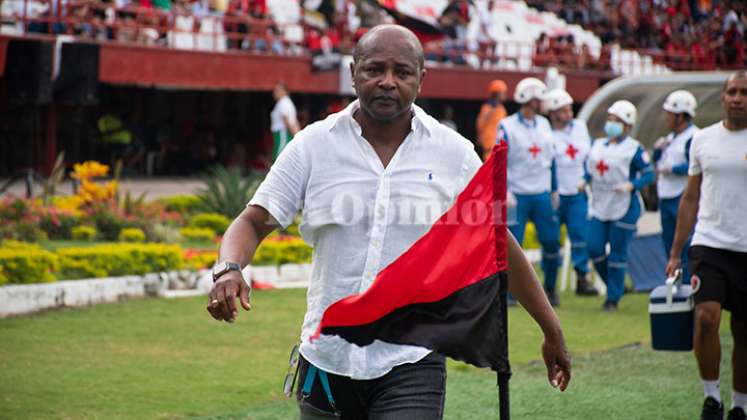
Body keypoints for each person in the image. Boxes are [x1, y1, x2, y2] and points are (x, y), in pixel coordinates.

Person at [206, 24, 571, 419]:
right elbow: (253, 221)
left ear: (421, 79)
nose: (387, 82)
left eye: (402, 72)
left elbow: (498, 245)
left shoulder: (454, 154)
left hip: (412, 360)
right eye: (374, 69)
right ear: (353, 72)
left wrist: (551, 329)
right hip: (326, 361)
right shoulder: (313, 145)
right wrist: (229, 269)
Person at [665, 71, 747, 420]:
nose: (738, 98)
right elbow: (690, 197)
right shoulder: (703, 139)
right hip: (709, 243)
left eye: (744, 92)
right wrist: (675, 252)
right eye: (732, 91)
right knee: (706, 318)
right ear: (723, 97)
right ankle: (711, 398)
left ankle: (740, 406)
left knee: (744, 331)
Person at [585, 100, 654, 311]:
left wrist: (632, 185)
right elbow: (591, 169)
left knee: (617, 253)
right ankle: (616, 285)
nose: (611, 124)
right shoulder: (597, 145)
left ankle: (612, 299)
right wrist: (583, 179)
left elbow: (649, 174)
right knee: (594, 247)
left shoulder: (634, 149)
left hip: (624, 206)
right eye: (610, 120)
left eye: (617, 121)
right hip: (600, 203)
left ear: (627, 125)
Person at [499, 77, 562, 306]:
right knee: (514, 246)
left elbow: (551, 160)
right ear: (529, 98)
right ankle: (509, 293)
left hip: (542, 193)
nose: (541, 103)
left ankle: (551, 289)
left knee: (551, 241)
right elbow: (499, 160)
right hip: (517, 194)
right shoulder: (507, 125)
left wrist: (554, 189)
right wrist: (503, 191)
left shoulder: (545, 125)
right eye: (538, 99)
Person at [544, 89, 597, 296]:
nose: (568, 114)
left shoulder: (581, 129)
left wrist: (587, 179)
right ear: (553, 113)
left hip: (576, 191)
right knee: (552, 239)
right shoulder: (546, 134)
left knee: (579, 236)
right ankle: (550, 284)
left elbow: (591, 156)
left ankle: (582, 278)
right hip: (555, 194)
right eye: (563, 111)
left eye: (569, 109)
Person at [653, 89, 699, 285]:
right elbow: (658, 162)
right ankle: (674, 285)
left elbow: (694, 166)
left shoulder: (693, 137)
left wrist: (672, 168)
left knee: (686, 244)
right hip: (667, 197)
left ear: (681, 115)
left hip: (682, 196)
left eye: (670, 113)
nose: (666, 118)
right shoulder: (671, 138)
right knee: (669, 243)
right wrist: (657, 152)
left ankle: (688, 284)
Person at [476, 79, 508, 160]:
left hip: (500, 148)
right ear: (497, 93)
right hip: (490, 148)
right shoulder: (487, 108)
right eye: (503, 92)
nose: (505, 95)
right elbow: (480, 124)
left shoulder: (501, 109)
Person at [270, 81, 300, 161]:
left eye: (277, 90)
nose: (275, 93)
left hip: (283, 133)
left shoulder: (284, 103)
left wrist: (297, 136)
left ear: (284, 91)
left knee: (281, 156)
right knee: (278, 154)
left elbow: (287, 121)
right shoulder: (282, 102)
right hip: (280, 133)